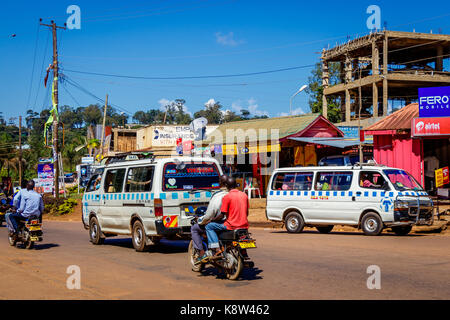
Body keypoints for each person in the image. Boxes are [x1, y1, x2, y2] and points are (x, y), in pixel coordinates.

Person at [204, 176, 249, 259]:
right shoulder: (244, 195)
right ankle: (244, 251)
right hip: (244, 226)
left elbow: (221, 215)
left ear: (227, 186)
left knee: (209, 226)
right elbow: (247, 213)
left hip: (231, 226)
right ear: (236, 185)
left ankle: (216, 249)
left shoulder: (227, 197)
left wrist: (211, 220)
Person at [192, 175, 229, 263]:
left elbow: (211, 214)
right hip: (237, 223)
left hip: (223, 223)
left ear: (220, 183)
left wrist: (202, 220)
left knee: (197, 228)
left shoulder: (218, 196)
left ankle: (205, 252)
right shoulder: (237, 195)